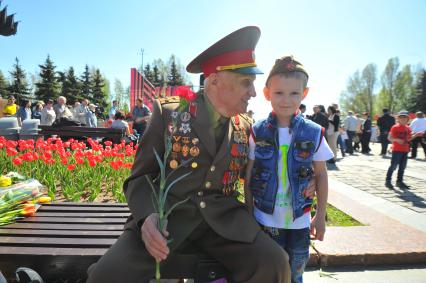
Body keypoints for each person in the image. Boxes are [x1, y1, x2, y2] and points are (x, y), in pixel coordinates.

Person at [87, 26, 294, 283]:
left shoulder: (245, 126)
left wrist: (301, 183)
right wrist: (147, 218)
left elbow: (259, 175)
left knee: (275, 263)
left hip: (225, 224)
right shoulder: (171, 114)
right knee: (107, 275)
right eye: (246, 82)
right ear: (216, 80)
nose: (253, 92)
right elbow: (139, 178)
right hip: (167, 222)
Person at [244, 55, 333, 283]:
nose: (286, 100)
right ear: (267, 94)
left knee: (296, 273)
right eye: (279, 93)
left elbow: (321, 175)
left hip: (299, 220)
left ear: (304, 94)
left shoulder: (314, 132)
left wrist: (319, 216)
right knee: (270, 273)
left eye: (294, 93)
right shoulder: (258, 132)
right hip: (265, 218)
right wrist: (248, 212)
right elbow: (249, 174)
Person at [385, 111, 413, 189]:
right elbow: (390, 138)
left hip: (405, 150)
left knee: (402, 167)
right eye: (401, 117)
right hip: (397, 150)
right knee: (393, 166)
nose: (403, 119)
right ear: (398, 119)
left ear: (408, 119)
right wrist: (397, 140)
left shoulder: (408, 128)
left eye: (405, 117)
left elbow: (409, 139)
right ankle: (388, 180)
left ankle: (399, 182)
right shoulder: (395, 127)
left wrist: (416, 135)